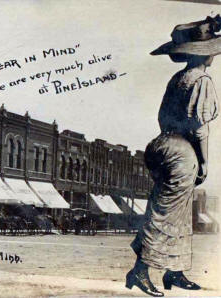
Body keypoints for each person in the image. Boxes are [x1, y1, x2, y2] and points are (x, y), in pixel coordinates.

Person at [126, 15, 220, 297]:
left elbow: (163, 117)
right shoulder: (202, 80)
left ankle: (175, 271)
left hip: (161, 145)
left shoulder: (178, 78)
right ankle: (140, 271)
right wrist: (203, 162)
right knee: (167, 213)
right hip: (181, 151)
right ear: (204, 53)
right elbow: (200, 128)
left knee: (176, 211)